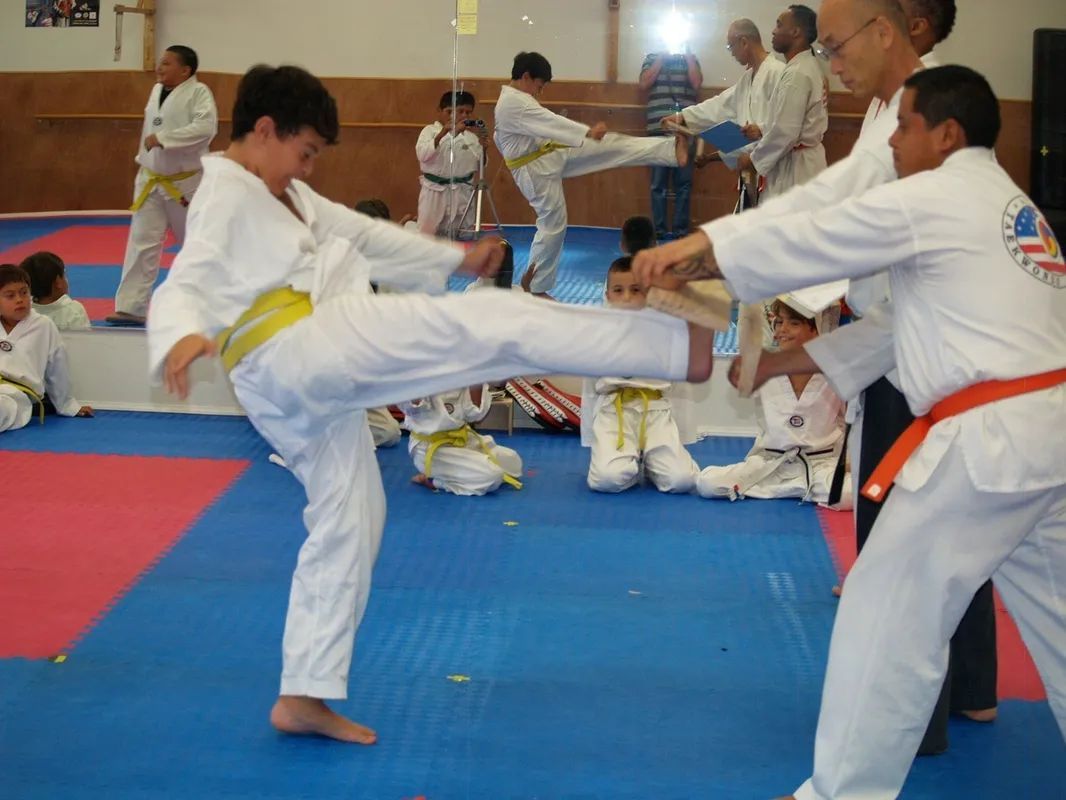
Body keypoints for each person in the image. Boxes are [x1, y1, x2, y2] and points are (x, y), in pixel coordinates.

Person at [148, 64, 717, 745]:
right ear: (264, 130)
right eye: (302, 152)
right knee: (488, 326)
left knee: (350, 517)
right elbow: (189, 273)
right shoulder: (227, 190)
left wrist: (456, 258)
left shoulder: (288, 195)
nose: (304, 168)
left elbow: (368, 237)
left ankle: (303, 692)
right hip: (299, 347)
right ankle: (674, 346)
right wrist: (179, 334)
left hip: (287, 389)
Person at [635, 64, 1066, 800]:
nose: (892, 141)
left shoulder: (935, 194)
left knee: (885, 617)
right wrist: (777, 365)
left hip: (985, 446)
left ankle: (843, 794)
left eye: (904, 125)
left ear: (947, 134)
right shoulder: (1011, 205)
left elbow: (818, 236)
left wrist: (700, 248)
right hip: (1046, 440)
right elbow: (898, 328)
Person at [495, 51, 688, 297]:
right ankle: (535, 287)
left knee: (610, 145)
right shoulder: (513, 102)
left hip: (547, 154)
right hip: (533, 170)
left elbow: (542, 127)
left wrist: (588, 136)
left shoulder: (517, 99)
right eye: (539, 85)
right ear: (525, 76)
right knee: (553, 225)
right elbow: (549, 121)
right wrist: (586, 132)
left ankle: (671, 150)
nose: (539, 91)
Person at [696, 297, 847, 505]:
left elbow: (850, 424)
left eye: (794, 323)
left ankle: (796, 488)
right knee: (708, 483)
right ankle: (801, 489)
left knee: (848, 493)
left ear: (815, 329)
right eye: (778, 322)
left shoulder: (837, 372)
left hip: (820, 465)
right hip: (771, 464)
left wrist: (848, 463)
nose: (782, 330)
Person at [107, 45, 218, 326]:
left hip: (185, 184)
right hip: (150, 178)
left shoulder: (199, 92)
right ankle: (131, 307)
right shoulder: (157, 90)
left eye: (167, 63)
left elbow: (206, 129)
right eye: (161, 62)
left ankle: (209, 304)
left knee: (194, 244)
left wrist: (164, 138)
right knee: (141, 243)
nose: (160, 67)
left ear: (185, 70)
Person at [583, 257, 699, 494]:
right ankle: (630, 462)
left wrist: (684, 437)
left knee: (682, 481)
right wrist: (590, 439)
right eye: (618, 290)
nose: (627, 297)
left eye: (636, 290)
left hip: (655, 411)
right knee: (607, 480)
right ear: (607, 295)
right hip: (613, 412)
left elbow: (681, 385)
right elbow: (588, 387)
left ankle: (653, 460)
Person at [662, 19, 785, 186]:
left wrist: (755, 150)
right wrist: (681, 117)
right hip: (750, 170)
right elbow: (719, 106)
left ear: (743, 42)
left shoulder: (779, 73)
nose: (731, 53)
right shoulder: (746, 80)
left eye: (730, 46)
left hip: (775, 170)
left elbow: (784, 128)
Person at [733, 5, 828, 199]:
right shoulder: (803, 65)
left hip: (798, 170)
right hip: (801, 161)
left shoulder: (797, 74)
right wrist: (762, 128)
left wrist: (752, 159)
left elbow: (786, 131)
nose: (773, 31)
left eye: (779, 25)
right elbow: (791, 120)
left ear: (795, 32)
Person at [0, 264, 92, 432]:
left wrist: (68, 406)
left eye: (24, 292)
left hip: (16, 396)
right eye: (10, 296)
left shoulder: (42, 325)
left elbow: (57, 368)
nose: (19, 299)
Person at [402, 383, 523, 495]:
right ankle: (434, 481)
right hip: (430, 446)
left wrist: (477, 376)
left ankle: (465, 470)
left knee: (513, 463)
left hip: (462, 437)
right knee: (493, 476)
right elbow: (414, 407)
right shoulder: (423, 370)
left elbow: (475, 416)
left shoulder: (460, 369)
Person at [639, 47, 702, 241]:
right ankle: (658, 231)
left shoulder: (691, 58)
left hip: (684, 130)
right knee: (658, 184)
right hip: (658, 129)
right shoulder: (651, 57)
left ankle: (680, 232)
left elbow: (697, 83)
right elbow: (644, 84)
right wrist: (661, 57)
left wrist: (689, 55)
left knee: (684, 184)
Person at [415, 90, 487, 239]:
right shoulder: (430, 131)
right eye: (460, 111)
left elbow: (480, 165)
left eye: (468, 112)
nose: (464, 116)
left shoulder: (471, 138)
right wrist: (446, 134)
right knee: (427, 235)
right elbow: (423, 154)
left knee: (463, 235)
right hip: (434, 191)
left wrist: (484, 148)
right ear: (441, 112)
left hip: (462, 191)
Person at [20, 251, 91, 331]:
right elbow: (85, 341)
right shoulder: (74, 310)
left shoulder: (24, 312)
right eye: (64, 275)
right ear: (58, 282)